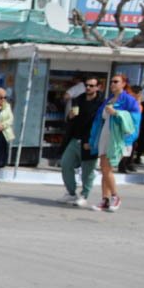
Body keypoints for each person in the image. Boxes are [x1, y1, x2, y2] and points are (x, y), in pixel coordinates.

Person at [89, 74, 140, 212]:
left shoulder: (129, 100)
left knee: (107, 169)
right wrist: (93, 139)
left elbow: (135, 120)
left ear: (123, 84)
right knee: (104, 169)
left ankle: (115, 196)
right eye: (111, 82)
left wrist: (117, 112)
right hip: (104, 136)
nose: (112, 84)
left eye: (116, 82)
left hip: (117, 139)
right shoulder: (108, 100)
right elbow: (98, 120)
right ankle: (105, 200)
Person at [58, 77, 102, 207]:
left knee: (88, 170)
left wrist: (93, 142)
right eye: (87, 85)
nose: (88, 88)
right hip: (74, 138)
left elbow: (101, 124)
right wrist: (69, 117)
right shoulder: (79, 99)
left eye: (91, 86)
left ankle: (84, 195)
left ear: (98, 87)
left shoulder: (101, 103)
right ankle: (71, 193)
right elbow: (71, 119)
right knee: (65, 163)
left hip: (89, 140)